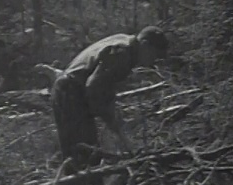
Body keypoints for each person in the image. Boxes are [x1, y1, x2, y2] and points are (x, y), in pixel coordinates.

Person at [51, 26, 168, 169]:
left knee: (85, 150)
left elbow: (104, 86)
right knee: (82, 152)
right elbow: (94, 88)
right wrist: (111, 120)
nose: (153, 61)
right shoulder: (122, 53)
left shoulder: (123, 42)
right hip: (70, 93)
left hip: (72, 90)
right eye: (154, 55)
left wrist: (113, 116)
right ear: (145, 45)